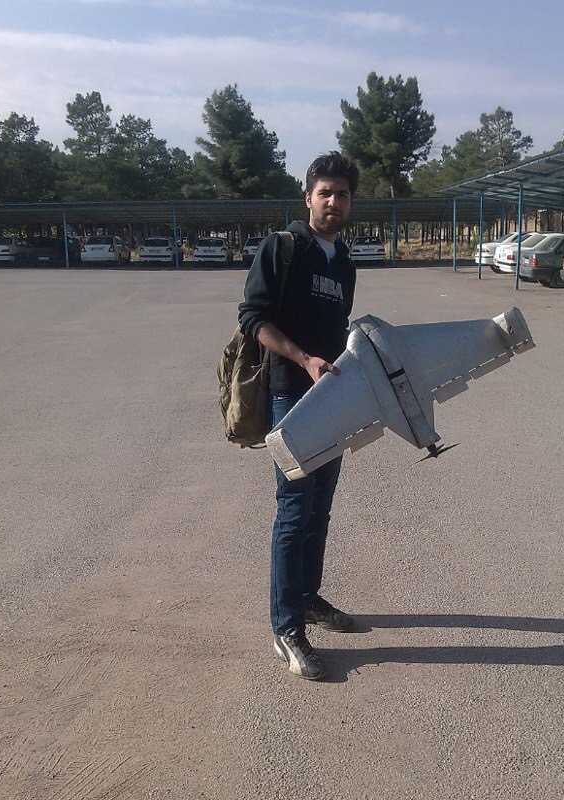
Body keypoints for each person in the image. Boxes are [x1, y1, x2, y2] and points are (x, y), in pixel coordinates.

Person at [238, 151, 360, 680]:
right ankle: (286, 628)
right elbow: (253, 318)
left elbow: (338, 325)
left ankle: (308, 599)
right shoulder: (282, 248)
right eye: (325, 193)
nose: (334, 202)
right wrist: (304, 359)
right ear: (308, 197)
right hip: (291, 396)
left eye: (342, 195)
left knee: (319, 509)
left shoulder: (345, 262)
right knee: (293, 510)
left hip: (334, 399)